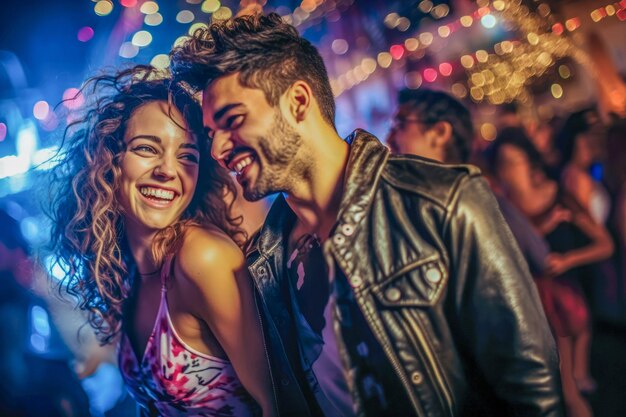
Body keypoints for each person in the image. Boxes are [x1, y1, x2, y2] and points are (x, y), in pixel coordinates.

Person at [170, 13, 564, 417]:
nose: (217, 150)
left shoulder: (442, 202)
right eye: (211, 133)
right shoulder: (263, 259)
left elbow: (531, 390)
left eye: (232, 121)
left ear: (298, 101)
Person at [48, 65, 276, 416]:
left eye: (187, 156)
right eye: (147, 148)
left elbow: (278, 400)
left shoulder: (202, 257)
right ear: (109, 161)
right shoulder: (127, 270)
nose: (169, 170)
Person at [487, 127, 615, 417]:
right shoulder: (504, 209)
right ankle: (573, 395)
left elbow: (605, 245)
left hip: (567, 295)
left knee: (575, 346)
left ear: (530, 162)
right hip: (534, 303)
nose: (509, 172)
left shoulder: (557, 193)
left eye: (514, 162)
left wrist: (568, 260)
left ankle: (576, 393)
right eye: (503, 165)